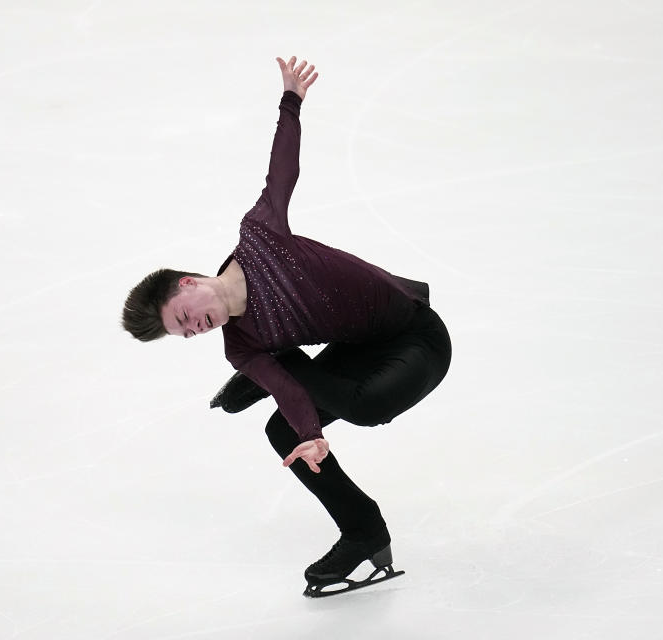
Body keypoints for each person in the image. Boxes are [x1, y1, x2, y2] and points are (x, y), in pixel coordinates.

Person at [121, 56, 452, 596]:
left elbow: (282, 169)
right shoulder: (240, 344)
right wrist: (312, 436)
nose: (196, 328)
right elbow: (295, 404)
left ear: (187, 282)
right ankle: (363, 533)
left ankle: (268, 373)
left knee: (365, 407)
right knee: (285, 430)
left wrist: (291, 101)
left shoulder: (260, 236)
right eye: (187, 335)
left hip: (416, 337)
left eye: (186, 318)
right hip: (353, 352)